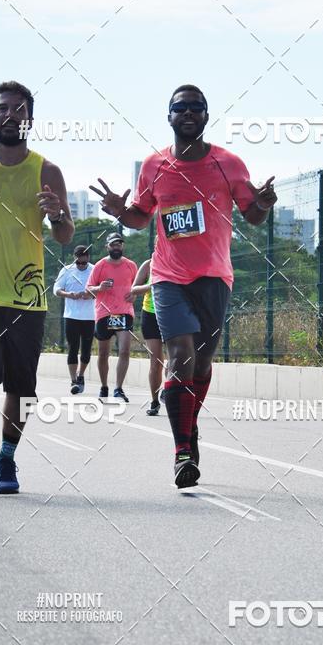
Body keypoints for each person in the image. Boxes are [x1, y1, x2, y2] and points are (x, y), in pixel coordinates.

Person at [91, 84, 277, 487]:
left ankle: (188, 426)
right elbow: (141, 216)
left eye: (196, 107)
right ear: (169, 115)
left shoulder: (228, 163)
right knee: (180, 356)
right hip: (168, 277)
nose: (188, 113)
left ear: (207, 116)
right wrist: (120, 211)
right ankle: (183, 452)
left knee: (202, 364)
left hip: (214, 278)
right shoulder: (154, 165)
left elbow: (252, 215)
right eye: (181, 108)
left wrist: (263, 202)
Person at [0, 81, 73, 494]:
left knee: (21, 387)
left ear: (30, 119)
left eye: (19, 109)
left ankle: (7, 458)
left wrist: (58, 214)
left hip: (27, 298)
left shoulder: (47, 171)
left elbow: (65, 236)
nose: (10, 115)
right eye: (3, 108)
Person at [86, 232, 137, 402]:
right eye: (113, 244)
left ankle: (119, 388)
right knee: (103, 353)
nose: (117, 247)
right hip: (104, 313)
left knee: (124, 350)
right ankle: (104, 386)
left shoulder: (131, 265)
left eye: (119, 244)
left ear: (123, 246)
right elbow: (88, 289)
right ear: (107, 246)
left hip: (124, 312)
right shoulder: (100, 266)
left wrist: (134, 296)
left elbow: (135, 288)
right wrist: (99, 287)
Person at [53, 244, 95, 394]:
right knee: (73, 348)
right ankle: (73, 380)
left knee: (86, 351)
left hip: (89, 316)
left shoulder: (94, 269)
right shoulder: (67, 270)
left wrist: (90, 294)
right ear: (74, 259)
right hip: (71, 316)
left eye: (84, 262)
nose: (81, 265)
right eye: (79, 263)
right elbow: (56, 289)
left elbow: (101, 290)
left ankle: (81, 374)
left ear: (88, 258)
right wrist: (69, 294)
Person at [129, 258, 165, 415]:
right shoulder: (148, 264)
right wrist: (151, 286)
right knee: (156, 361)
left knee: (178, 359)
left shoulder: (178, 259)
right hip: (150, 314)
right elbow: (134, 289)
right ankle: (155, 400)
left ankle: (169, 389)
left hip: (172, 314)